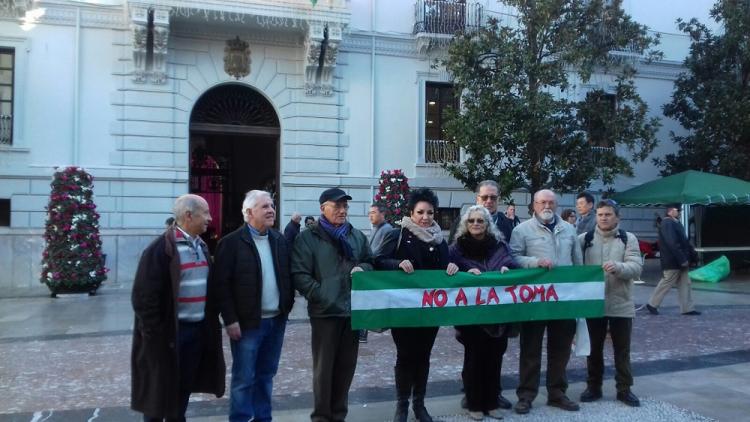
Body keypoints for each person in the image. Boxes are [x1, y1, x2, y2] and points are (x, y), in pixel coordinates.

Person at [131, 194, 225, 422]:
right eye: (205, 213)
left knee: (182, 389)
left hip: (195, 333)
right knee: (158, 393)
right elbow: (144, 298)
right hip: (168, 336)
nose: (210, 218)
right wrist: (156, 336)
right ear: (188, 215)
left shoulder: (201, 246)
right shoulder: (160, 250)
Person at [376, 187, 459, 422]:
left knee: (424, 356)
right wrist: (397, 263)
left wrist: (452, 268)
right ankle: (401, 405)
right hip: (404, 310)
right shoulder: (397, 234)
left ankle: (419, 404)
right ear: (411, 212)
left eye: (430, 213)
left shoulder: (440, 241)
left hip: (430, 312)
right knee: (405, 356)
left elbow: (446, 267)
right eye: (421, 212)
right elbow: (378, 260)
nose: (425, 217)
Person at [292, 188, 374, 422]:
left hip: (352, 312)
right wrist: (321, 294)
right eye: (336, 206)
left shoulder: (356, 236)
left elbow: (370, 261)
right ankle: (321, 416)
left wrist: (364, 269)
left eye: (345, 206)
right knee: (323, 369)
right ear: (322, 209)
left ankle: (339, 414)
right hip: (325, 312)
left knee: (346, 367)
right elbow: (300, 274)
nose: (342, 210)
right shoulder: (308, 237)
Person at [214, 190, 295, 422]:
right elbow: (222, 286)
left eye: (272, 205)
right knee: (243, 378)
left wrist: (286, 307)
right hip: (247, 324)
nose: (271, 210)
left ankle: (263, 418)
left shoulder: (279, 240)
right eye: (264, 207)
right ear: (248, 213)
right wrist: (230, 319)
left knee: (266, 375)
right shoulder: (230, 244)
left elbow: (286, 277)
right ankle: (239, 418)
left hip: (276, 321)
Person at [509, 189, 583, 415]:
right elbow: (513, 258)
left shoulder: (569, 229)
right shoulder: (521, 230)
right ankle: (526, 395)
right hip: (534, 300)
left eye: (551, 202)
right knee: (530, 348)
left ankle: (557, 392)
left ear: (557, 205)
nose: (547, 206)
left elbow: (577, 263)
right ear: (534, 205)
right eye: (542, 202)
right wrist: (535, 262)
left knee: (561, 349)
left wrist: (579, 291)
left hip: (563, 299)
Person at [449, 205, 518, 420]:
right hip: (471, 316)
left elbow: (511, 263)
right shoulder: (456, 248)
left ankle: (491, 401)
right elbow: (448, 271)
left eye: (480, 220)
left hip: (497, 314)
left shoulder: (498, 245)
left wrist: (508, 269)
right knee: (474, 360)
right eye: (472, 221)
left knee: (494, 359)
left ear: (488, 224)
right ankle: (474, 403)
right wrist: (463, 272)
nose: (476, 224)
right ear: (465, 224)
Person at [578, 200, 642, 408]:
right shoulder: (584, 239)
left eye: (608, 214)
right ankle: (593, 387)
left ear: (617, 217)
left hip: (620, 303)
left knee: (622, 350)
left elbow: (636, 267)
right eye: (600, 214)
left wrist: (619, 267)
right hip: (593, 305)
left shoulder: (628, 238)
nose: (603, 218)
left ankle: (624, 389)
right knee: (593, 349)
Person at [646, 203, 701, 316]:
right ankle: (652, 303)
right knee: (667, 282)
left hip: (678, 260)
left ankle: (687, 308)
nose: (680, 212)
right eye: (678, 210)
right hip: (673, 260)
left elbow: (683, 242)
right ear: (671, 211)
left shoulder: (672, 222)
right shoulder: (668, 223)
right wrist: (682, 259)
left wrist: (689, 256)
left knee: (685, 284)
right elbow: (673, 243)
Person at [359, 204, 393, 344]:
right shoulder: (376, 229)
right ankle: (362, 332)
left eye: (373, 212)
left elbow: (379, 253)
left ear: (382, 214)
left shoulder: (387, 230)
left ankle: (363, 331)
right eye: (369, 213)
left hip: (377, 273)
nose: (370, 215)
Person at [450, 180, 514, 243]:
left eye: (493, 197)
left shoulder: (507, 223)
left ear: (498, 199)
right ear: (478, 199)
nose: (489, 201)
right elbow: (451, 249)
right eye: (484, 197)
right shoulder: (462, 221)